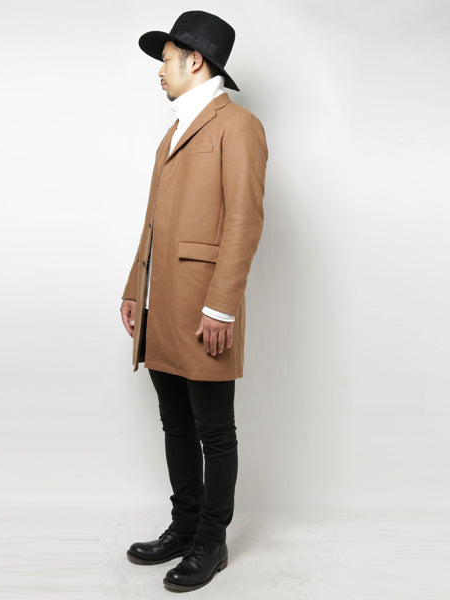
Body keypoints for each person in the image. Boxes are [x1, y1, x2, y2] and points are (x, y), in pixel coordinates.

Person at [119, 10, 268, 593]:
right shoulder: (174, 131)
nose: (159, 71)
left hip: (205, 306)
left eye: (165, 60)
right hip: (161, 303)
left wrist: (222, 306)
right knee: (174, 421)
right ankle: (184, 527)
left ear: (195, 60)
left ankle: (211, 541)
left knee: (214, 429)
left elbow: (244, 222)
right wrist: (134, 288)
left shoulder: (239, 126)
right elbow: (152, 222)